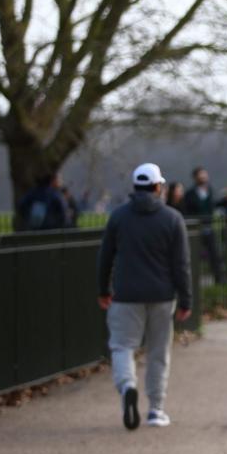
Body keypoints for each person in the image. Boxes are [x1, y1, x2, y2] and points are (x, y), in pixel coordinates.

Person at [96, 163, 193, 430]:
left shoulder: (118, 217)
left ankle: (127, 385)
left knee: (122, 346)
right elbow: (181, 265)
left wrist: (103, 290)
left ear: (135, 187)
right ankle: (156, 410)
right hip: (162, 296)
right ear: (158, 187)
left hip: (126, 295)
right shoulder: (172, 219)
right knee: (158, 352)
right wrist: (186, 300)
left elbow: (105, 257)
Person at [181, 167, 227, 284]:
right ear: (195, 177)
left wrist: (226, 201)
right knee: (193, 256)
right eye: (201, 176)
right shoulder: (190, 194)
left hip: (209, 228)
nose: (203, 178)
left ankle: (219, 281)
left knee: (215, 256)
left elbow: (214, 205)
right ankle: (192, 282)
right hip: (196, 230)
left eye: (204, 175)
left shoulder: (210, 191)